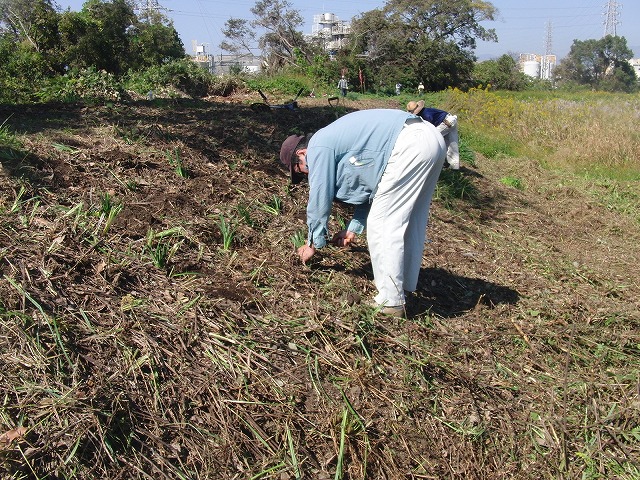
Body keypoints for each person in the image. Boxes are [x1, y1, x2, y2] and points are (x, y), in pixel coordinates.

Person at [278, 109, 446, 317]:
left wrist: (312, 243)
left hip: (409, 144)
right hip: (431, 139)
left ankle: (391, 301)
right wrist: (352, 229)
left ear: (301, 155)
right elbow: (375, 189)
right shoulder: (342, 142)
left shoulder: (318, 146)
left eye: (301, 172)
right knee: (411, 219)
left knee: (384, 223)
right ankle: (402, 286)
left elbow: (319, 196)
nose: (307, 175)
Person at [407, 100, 460, 170]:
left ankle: (432, 162)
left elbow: (430, 127)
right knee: (451, 143)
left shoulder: (426, 115)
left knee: (432, 139)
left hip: (446, 123)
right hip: (451, 120)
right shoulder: (426, 111)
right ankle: (454, 166)